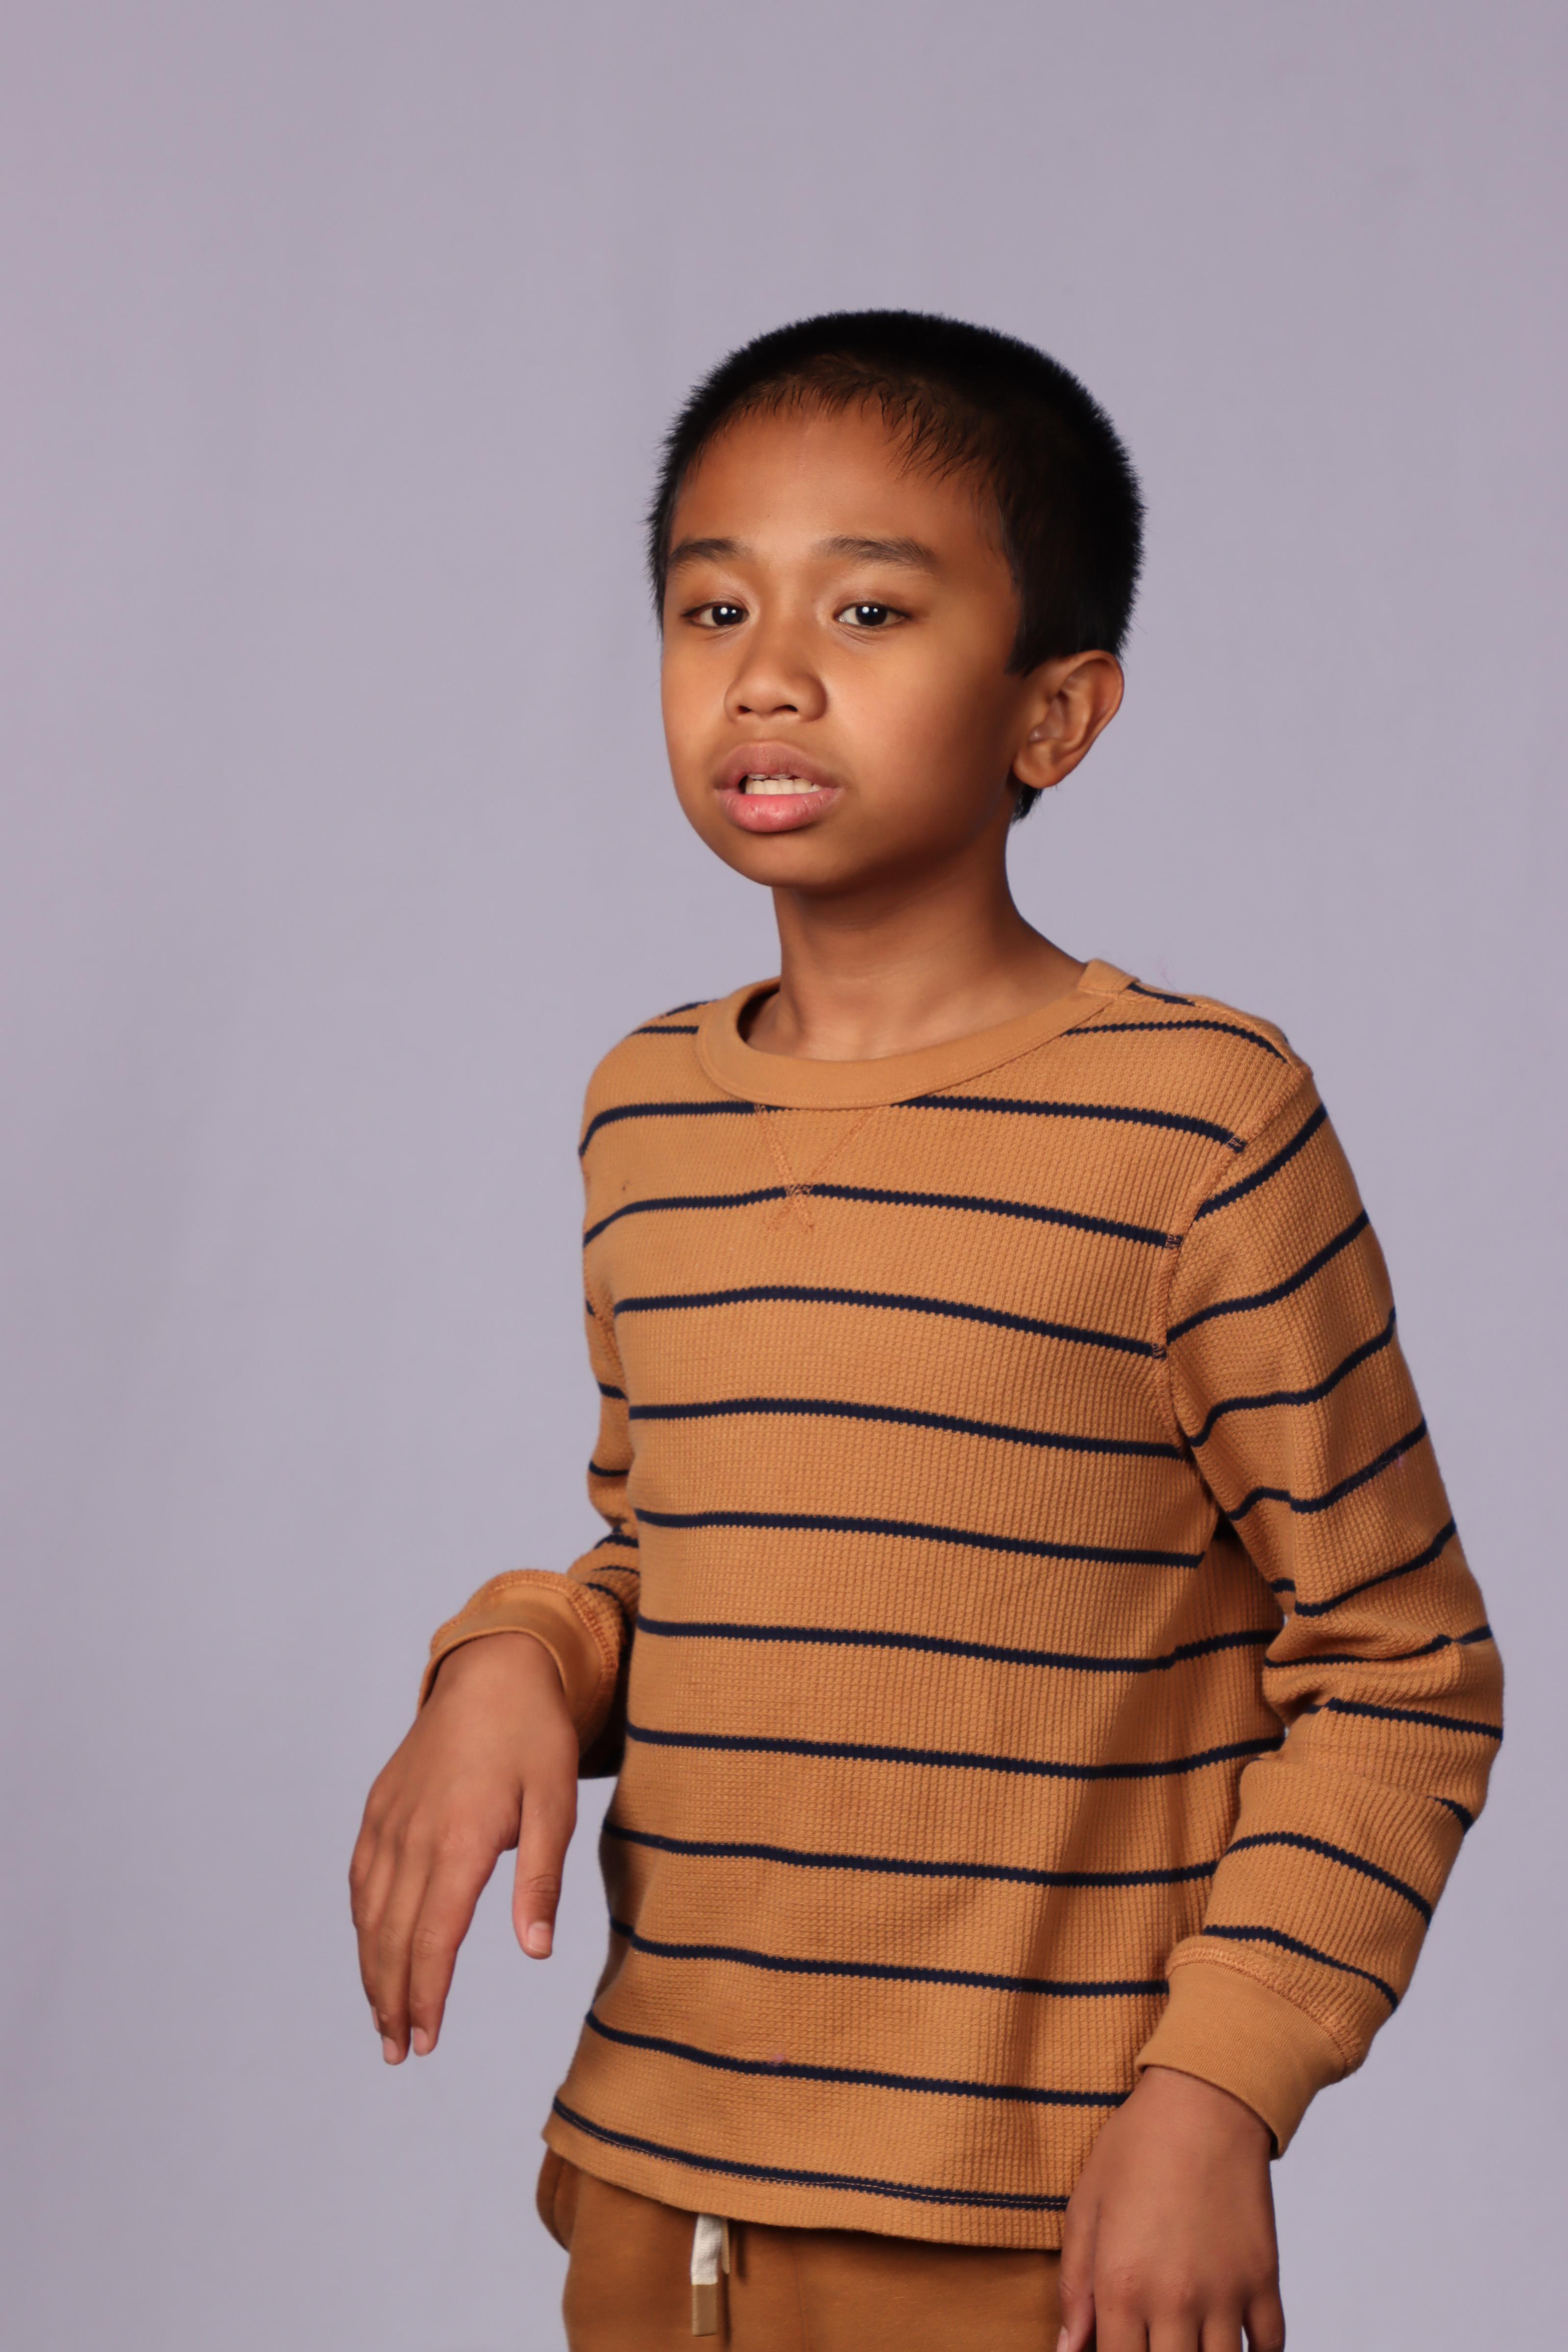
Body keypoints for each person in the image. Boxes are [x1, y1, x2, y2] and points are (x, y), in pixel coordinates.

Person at [348, 312, 1502, 2351]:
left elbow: (1400, 1671)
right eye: (711, 606)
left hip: (1047, 2232)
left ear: (1054, 714)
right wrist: (517, 1657)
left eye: (867, 609)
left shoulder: (1198, 1123)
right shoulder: (644, 1110)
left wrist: (1215, 2090)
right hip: (659, 2197)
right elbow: (688, 1557)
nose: (766, 673)